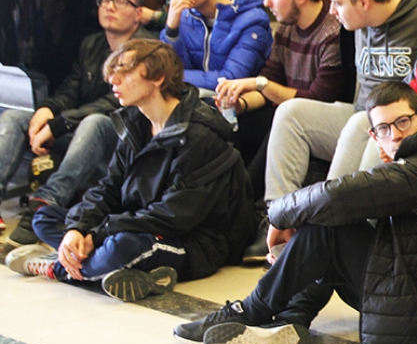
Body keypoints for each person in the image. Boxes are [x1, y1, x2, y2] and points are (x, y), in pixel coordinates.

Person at [172, 81, 417, 344]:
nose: (396, 135)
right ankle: (290, 322)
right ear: (375, 137)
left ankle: (251, 311)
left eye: (403, 122)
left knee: (326, 227)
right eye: (385, 129)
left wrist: (278, 213)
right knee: (330, 225)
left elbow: (338, 195)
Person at [5, 39, 253, 301]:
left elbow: (174, 216)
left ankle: (57, 267)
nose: (113, 79)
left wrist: (99, 232)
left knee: (124, 247)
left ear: (158, 78)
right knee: (46, 218)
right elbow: (109, 187)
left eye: (125, 71)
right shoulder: (135, 120)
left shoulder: (201, 135)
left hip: (193, 242)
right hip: (134, 222)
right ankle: (119, 269)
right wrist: (80, 228)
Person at [0, 0, 156, 253]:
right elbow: (70, 90)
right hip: (78, 130)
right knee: (13, 118)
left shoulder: (146, 50)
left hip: (120, 136)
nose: (109, 7)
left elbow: (113, 103)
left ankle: (46, 202)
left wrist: (59, 124)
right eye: (105, 0)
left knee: (94, 122)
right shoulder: (91, 45)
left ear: (137, 13)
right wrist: (47, 111)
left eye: (120, 1)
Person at [263, 0, 417, 204]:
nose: (332, 11)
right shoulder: (355, 22)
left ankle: (326, 219)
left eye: (337, 3)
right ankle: (278, 216)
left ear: (363, 2)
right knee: (290, 112)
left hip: (395, 127)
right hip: (360, 114)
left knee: (359, 125)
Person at [214, 0, 353, 207]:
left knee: (282, 117)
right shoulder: (287, 27)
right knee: (230, 124)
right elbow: (270, 79)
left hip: (317, 121)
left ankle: (238, 204)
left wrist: (258, 84)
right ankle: (222, 196)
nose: (267, 2)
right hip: (284, 114)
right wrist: (239, 104)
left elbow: (317, 99)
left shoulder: (333, 33)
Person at [161, 0, 272, 90]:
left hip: (241, 103)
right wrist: (171, 31)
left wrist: (172, 76)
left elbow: (230, 78)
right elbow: (171, 65)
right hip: (196, 98)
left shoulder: (251, 21)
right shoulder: (184, 16)